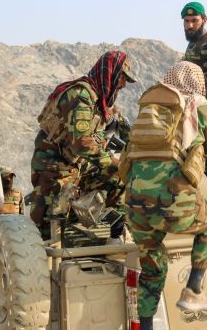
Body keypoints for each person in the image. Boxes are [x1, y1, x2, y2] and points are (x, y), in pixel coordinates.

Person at [121, 61, 207, 330]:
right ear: (196, 85)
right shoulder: (201, 109)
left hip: (135, 205)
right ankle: (193, 289)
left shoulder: (147, 112)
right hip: (173, 203)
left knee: (152, 267)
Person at [30, 50, 135, 242]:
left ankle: (115, 237)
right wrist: (114, 162)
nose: (123, 84)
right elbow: (83, 145)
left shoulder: (100, 101)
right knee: (50, 221)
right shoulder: (80, 97)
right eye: (121, 77)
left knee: (119, 178)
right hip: (54, 165)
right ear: (109, 73)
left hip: (77, 163)